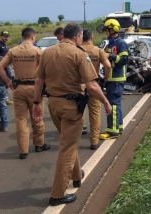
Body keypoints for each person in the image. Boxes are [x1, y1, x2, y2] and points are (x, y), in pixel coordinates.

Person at [31, 22, 112, 206]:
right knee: (67, 147)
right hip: (71, 106)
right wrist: (105, 102)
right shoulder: (79, 54)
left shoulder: (47, 52)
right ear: (77, 37)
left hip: (53, 103)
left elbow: (38, 81)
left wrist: (36, 103)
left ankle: (76, 175)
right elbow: (91, 85)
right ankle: (57, 195)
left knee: (69, 140)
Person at [0, 27, 49, 159]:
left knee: (21, 119)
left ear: (23, 37)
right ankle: (39, 144)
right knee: (37, 117)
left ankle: (23, 150)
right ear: (32, 37)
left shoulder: (13, 51)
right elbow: (46, 71)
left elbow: (0, 67)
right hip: (34, 88)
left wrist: (8, 82)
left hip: (18, 88)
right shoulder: (38, 51)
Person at [99, 18, 129, 140]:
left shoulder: (121, 43)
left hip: (116, 78)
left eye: (107, 30)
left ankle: (113, 130)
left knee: (113, 104)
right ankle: (119, 126)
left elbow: (125, 60)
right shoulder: (110, 43)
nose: (105, 32)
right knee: (116, 103)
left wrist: (110, 55)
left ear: (112, 29)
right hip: (111, 78)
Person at [81, 29, 111, 150]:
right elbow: (108, 65)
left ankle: (74, 138)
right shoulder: (98, 51)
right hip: (94, 84)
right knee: (95, 114)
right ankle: (94, 141)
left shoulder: (77, 50)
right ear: (91, 38)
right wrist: (105, 77)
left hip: (79, 85)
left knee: (78, 113)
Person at [0, 30, 14, 105]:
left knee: (8, 79)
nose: (6, 38)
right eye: (5, 36)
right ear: (1, 36)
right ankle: (3, 98)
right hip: (1, 66)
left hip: (6, 65)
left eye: (7, 37)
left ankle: (4, 97)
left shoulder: (4, 45)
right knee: (5, 80)